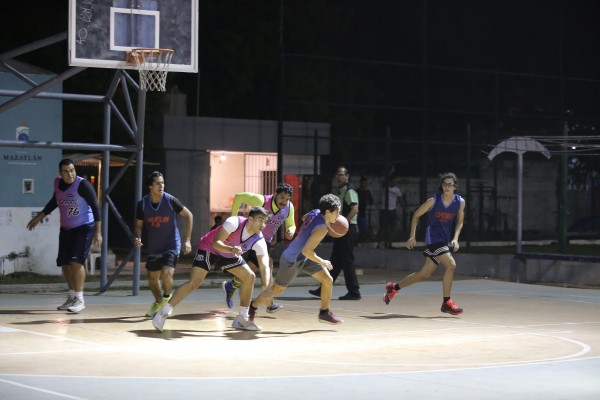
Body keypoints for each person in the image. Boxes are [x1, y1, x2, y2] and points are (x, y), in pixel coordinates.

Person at [152, 206, 271, 332]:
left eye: (265, 221)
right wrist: (231, 249)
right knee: (194, 283)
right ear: (250, 219)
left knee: (249, 277)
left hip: (229, 254)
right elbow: (216, 243)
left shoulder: (259, 239)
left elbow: (264, 266)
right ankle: (161, 313)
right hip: (209, 248)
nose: (263, 225)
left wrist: (266, 287)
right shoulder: (234, 222)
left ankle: (242, 319)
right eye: (260, 220)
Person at [248, 194, 343, 324]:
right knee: (276, 289)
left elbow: (304, 218)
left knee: (327, 280)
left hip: (303, 256)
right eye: (337, 212)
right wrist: (323, 262)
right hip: (292, 259)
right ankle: (252, 306)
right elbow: (307, 251)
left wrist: (308, 229)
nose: (338, 215)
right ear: (327, 212)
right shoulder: (322, 228)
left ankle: (324, 312)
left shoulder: (315, 212)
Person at [26, 158, 102, 313]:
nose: (70, 174)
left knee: (76, 262)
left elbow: (96, 207)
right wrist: (39, 217)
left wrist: (98, 232)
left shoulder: (83, 185)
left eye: (72, 170)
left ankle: (80, 299)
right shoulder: (58, 184)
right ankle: (72, 296)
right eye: (66, 171)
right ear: (60, 173)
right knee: (65, 264)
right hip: (66, 229)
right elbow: (55, 201)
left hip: (84, 227)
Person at [383, 172, 465, 315]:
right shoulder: (433, 201)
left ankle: (393, 288)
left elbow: (460, 221)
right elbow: (416, 215)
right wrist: (412, 236)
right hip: (433, 239)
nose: (446, 187)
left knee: (423, 274)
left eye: (450, 185)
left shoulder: (460, 202)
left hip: (444, 240)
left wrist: (455, 238)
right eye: (444, 184)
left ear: (455, 187)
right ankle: (447, 302)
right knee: (451, 265)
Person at [222, 183, 296, 313]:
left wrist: (291, 230)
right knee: (268, 264)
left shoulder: (289, 207)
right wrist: (234, 219)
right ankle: (269, 302)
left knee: (253, 267)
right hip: (252, 236)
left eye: (287, 198)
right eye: (281, 197)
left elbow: (291, 224)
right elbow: (239, 197)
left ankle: (232, 285)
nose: (284, 201)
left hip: (264, 241)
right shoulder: (261, 200)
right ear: (275, 194)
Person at [133, 171, 193, 318]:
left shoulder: (170, 200)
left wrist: (187, 240)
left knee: (166, 274)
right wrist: (138, 237)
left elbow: (189, 215)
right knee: (152, 280)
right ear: (150, 186)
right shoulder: (143, 204)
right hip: (154, 246)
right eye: (158, 183)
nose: (161, 185)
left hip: (171, 244)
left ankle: (166, 300)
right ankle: (159, 302)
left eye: (163, 183)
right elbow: (138, 225)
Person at [309, 166, 360, 300]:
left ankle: (354, 292)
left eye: (342, 175)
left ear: (347, 176)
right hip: (342, 230)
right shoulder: (340, 190)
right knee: (336, 261)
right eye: (337, 175)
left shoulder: (349, 190)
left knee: (347, 260)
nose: (339, 177)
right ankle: (323, 288)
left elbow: (355, 209)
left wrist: (344, 225)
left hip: (347, 229)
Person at [377, 175, 407, 249]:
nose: (395, 183)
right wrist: (390, 172)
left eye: (395, 181)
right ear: (390, 182)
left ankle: (390, 244)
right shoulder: (385, 188)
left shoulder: (397, 190)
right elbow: (384, 180)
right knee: (382, 227)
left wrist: (404, 208)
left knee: (392, 228)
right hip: (384, 210)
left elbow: (400, 199)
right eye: (393, 181)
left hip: (392, 210)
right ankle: (379, 244)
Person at [356, 176, 374, 242]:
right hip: (355, 214)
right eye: (364, 183)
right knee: (356, 230)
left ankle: (361, 241)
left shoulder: (367, 192)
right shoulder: (356, 192)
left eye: (366, 183)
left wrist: (367, 202)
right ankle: (356, 242)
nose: (365, 185)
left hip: (363, 214)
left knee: (363, 231)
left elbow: (371, 201)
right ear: (360, 183)